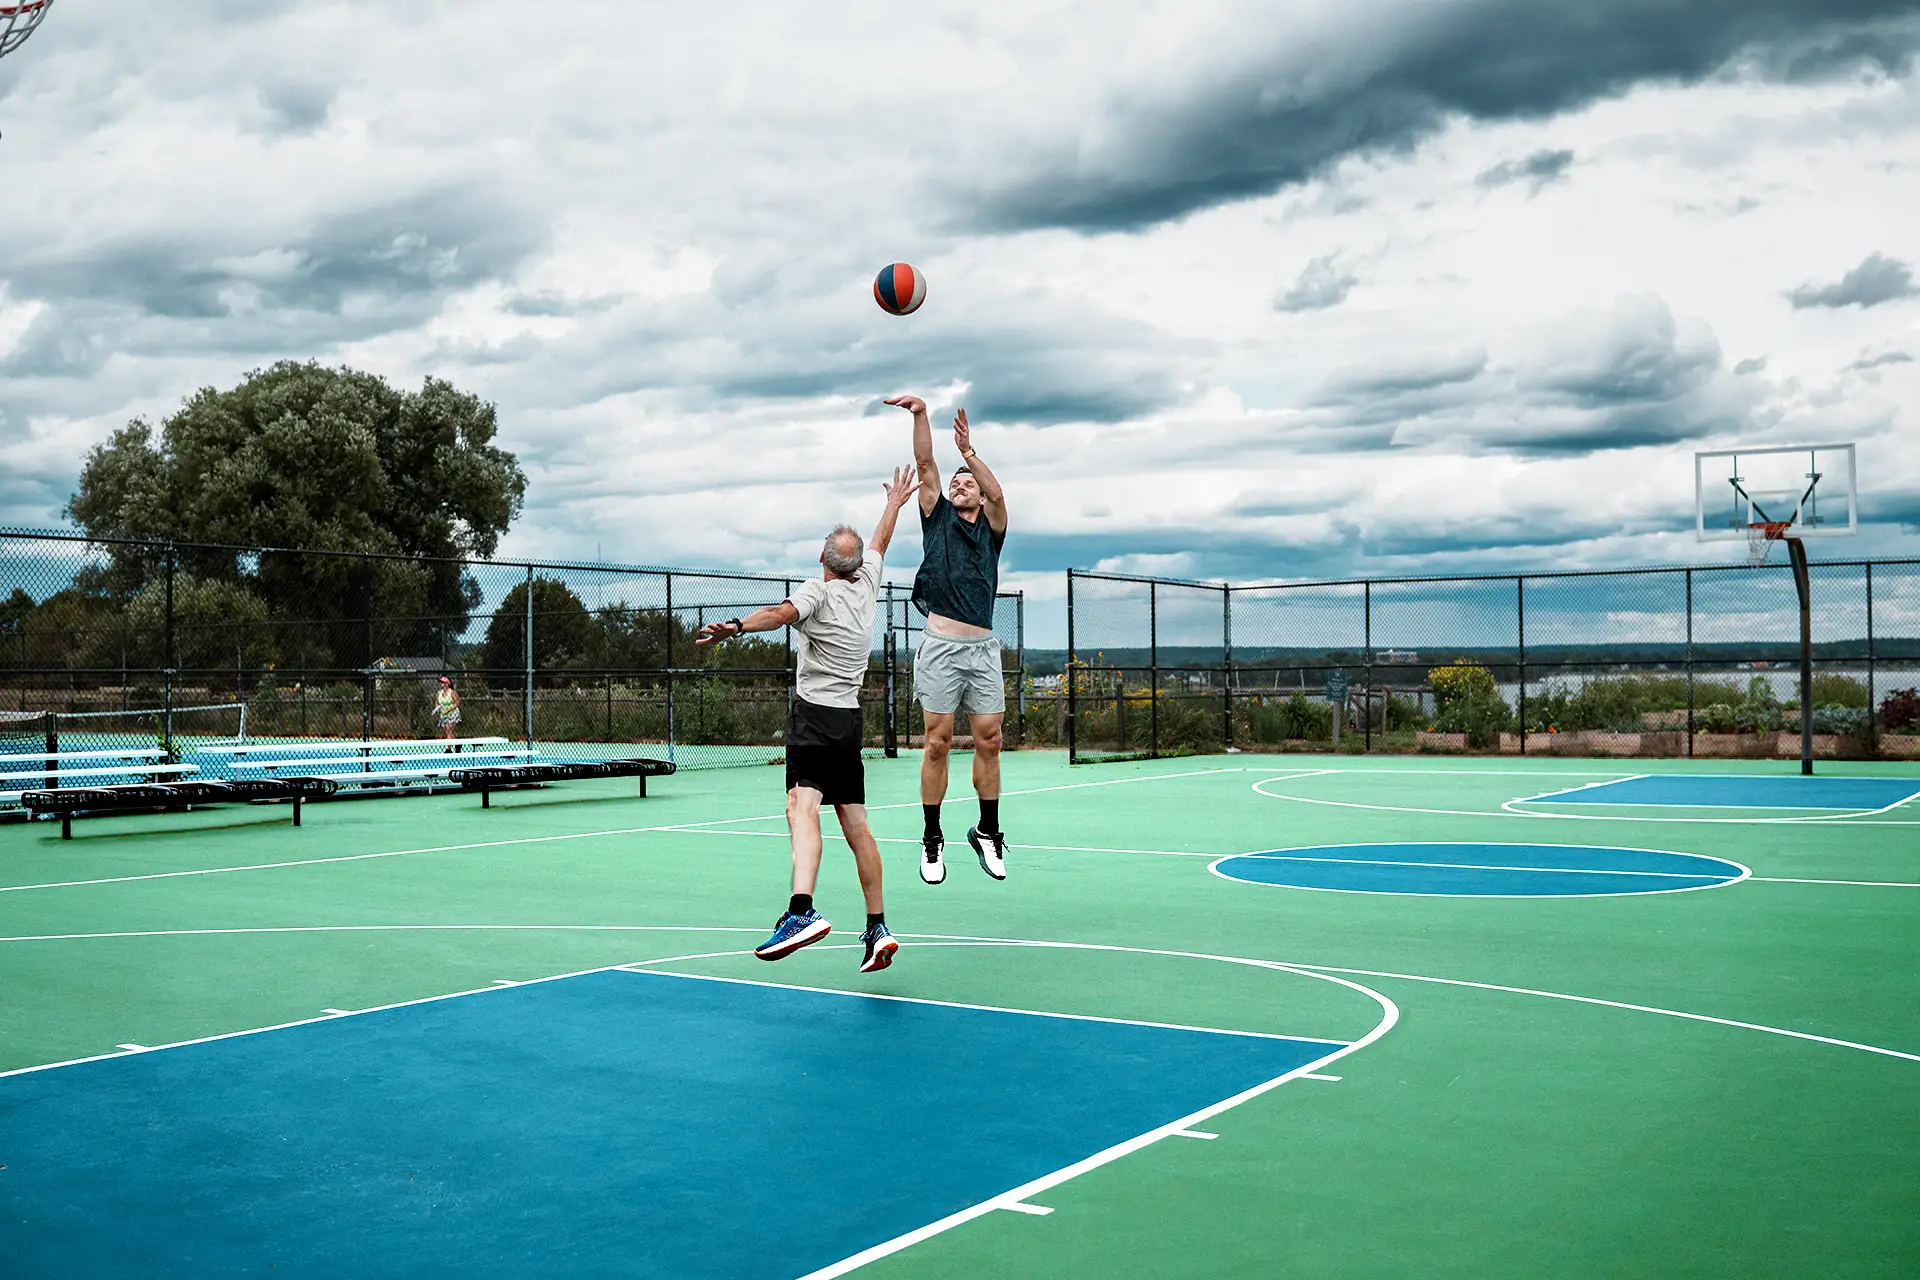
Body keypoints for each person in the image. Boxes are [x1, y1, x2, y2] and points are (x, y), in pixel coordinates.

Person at [697, 465, 917, 974]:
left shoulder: (817, 593)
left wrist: (733, 627)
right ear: (857, 563)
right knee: (856, 823)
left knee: (801, 806)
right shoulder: (869, 582)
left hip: (814, 718)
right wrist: (894, 505)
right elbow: (880, 542)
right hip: (849, 723)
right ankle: (877, 925)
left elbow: (778, 613)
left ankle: (801, 911)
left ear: (822, 558)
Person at [884, 394, 1009, 885]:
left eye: (967, 482)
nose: (959, 484)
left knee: (990, 740)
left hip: (982, 651)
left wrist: (969, 452)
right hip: (940, 647)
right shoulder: (936, 517)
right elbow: (925, 464)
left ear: (978, 494)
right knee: (936, 744)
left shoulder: (992, 530)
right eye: (956, 481)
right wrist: (920, 415)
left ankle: (988, 832)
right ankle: (932, 837)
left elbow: (999, 496)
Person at [434, 676, 461, 740]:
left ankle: (448, 749)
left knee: (448, 729)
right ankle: (457, 744)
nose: (441, 683)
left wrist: (449, 709)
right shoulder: (439, 693)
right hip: (443, 714)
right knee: (448, 732)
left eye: (443, 682)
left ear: (447, 683)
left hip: (453, 713)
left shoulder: (452, 692)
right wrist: (437, 708)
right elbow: (437, 702)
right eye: (441, 682)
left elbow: (457, 703)